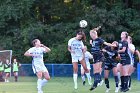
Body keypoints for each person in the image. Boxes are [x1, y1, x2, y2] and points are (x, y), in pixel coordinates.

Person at [89, 26, 115, 91]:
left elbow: (106, 43)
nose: (91, 36)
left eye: (92, 35)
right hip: (94, 56)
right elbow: (94, 47)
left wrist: (112, 45)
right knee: (95, 71)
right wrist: (91, 44)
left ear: (95, 34)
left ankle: (95, 84)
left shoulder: (100, 39)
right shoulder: (93, 40)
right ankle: (99, 81)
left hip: (99, 55)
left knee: (97, 71)